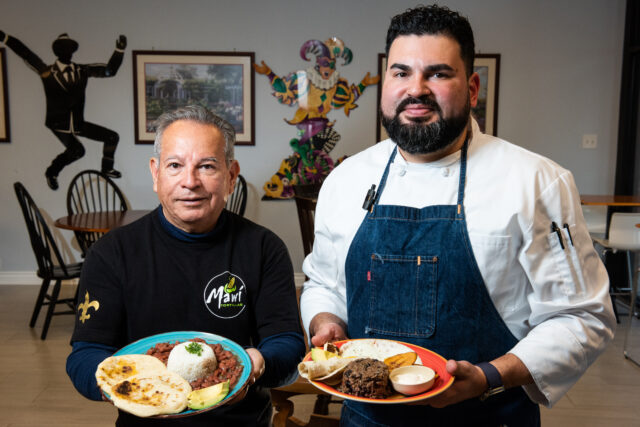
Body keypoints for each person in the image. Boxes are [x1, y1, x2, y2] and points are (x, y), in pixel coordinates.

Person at [300, 5, 615, 426]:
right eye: (400, 73)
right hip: (367, 416)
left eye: (438, 73)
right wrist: (325, 322)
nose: (416, 89)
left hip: (489, 414)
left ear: (472, 88)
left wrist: (489, 376)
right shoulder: (346, 179)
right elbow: (324, 282)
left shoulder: (537, 182)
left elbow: (582, 317)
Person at [66, 105, 306, 426]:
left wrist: (258, 363)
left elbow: (287, 345)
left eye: (206, 166)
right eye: (175, 165)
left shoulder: (264, 248)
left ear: (231, 176)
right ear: (155, 173)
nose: (189, 181)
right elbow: (85, 355)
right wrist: (130, 384)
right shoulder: (111, 253)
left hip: (241, 419)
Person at [0, 30, 126, 190]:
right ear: (57, 52)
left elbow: (109, 71)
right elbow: (26, 54)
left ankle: (106, 168)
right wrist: (5, 38)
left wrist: (119, 51)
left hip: (77, 123)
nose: (66, 52)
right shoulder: (47, 72)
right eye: (62, 49)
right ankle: (51, 172)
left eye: (69, 49)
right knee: (77, 151)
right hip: (58, 123)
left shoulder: (82, 70)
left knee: (112, 137)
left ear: (73, 52)